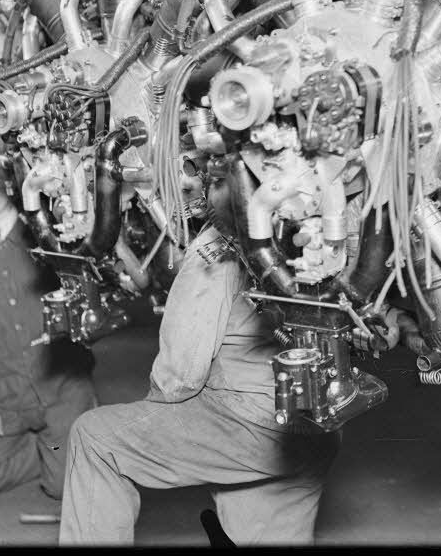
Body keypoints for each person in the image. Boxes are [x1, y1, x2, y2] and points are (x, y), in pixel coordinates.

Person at [58, 224, 341, 545]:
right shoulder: (318, 231)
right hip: (319, 420)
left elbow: (181, 376)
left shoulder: (217, 245)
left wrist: (152, 412)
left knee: (95, 438)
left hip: (249, 427)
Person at [0, 156, 97, 501]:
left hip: (61, 389)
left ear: (10, 182)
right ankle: (48, 451)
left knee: (62, 487)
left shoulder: (49, 241)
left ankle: (62, 449)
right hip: (6, 399)